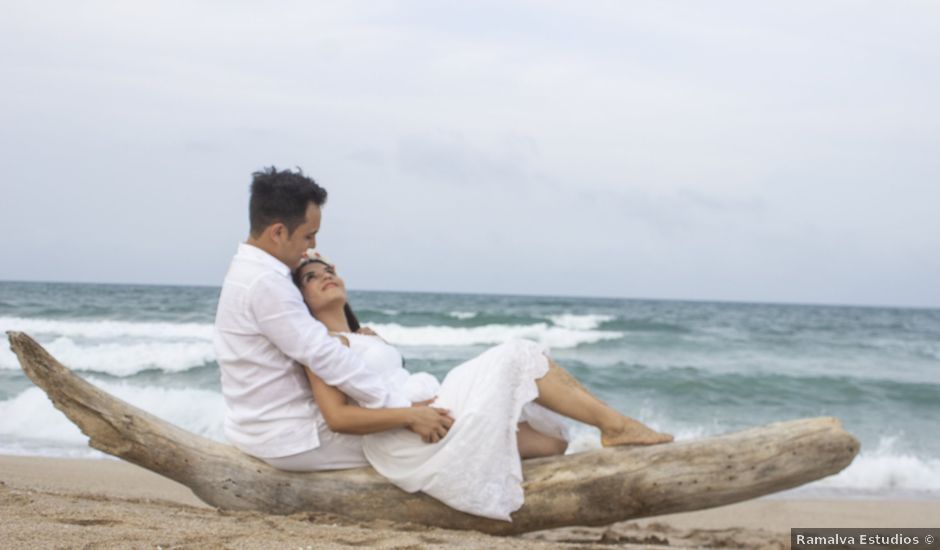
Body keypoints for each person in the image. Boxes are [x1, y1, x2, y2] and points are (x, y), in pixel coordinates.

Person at [292, 251, 674, 521]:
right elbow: (338, 417)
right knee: (516, 355)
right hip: (407, 432)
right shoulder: (324, 346)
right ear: (302, 300)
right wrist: (411, 415)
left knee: (553, 441)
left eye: (328, 269)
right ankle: (616, 427)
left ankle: (609, 429)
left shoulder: (364, 336)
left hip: (427, 410)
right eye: (311, 277)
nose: (325, 275)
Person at [213, 167, 453, 470]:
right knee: (453, 429)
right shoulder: (266, 284)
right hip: (297, 437)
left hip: (268, 429)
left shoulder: (250, 272)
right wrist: (404, 411)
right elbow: (325, 355)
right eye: (308, 235)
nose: (311, 246)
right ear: (277, 232)